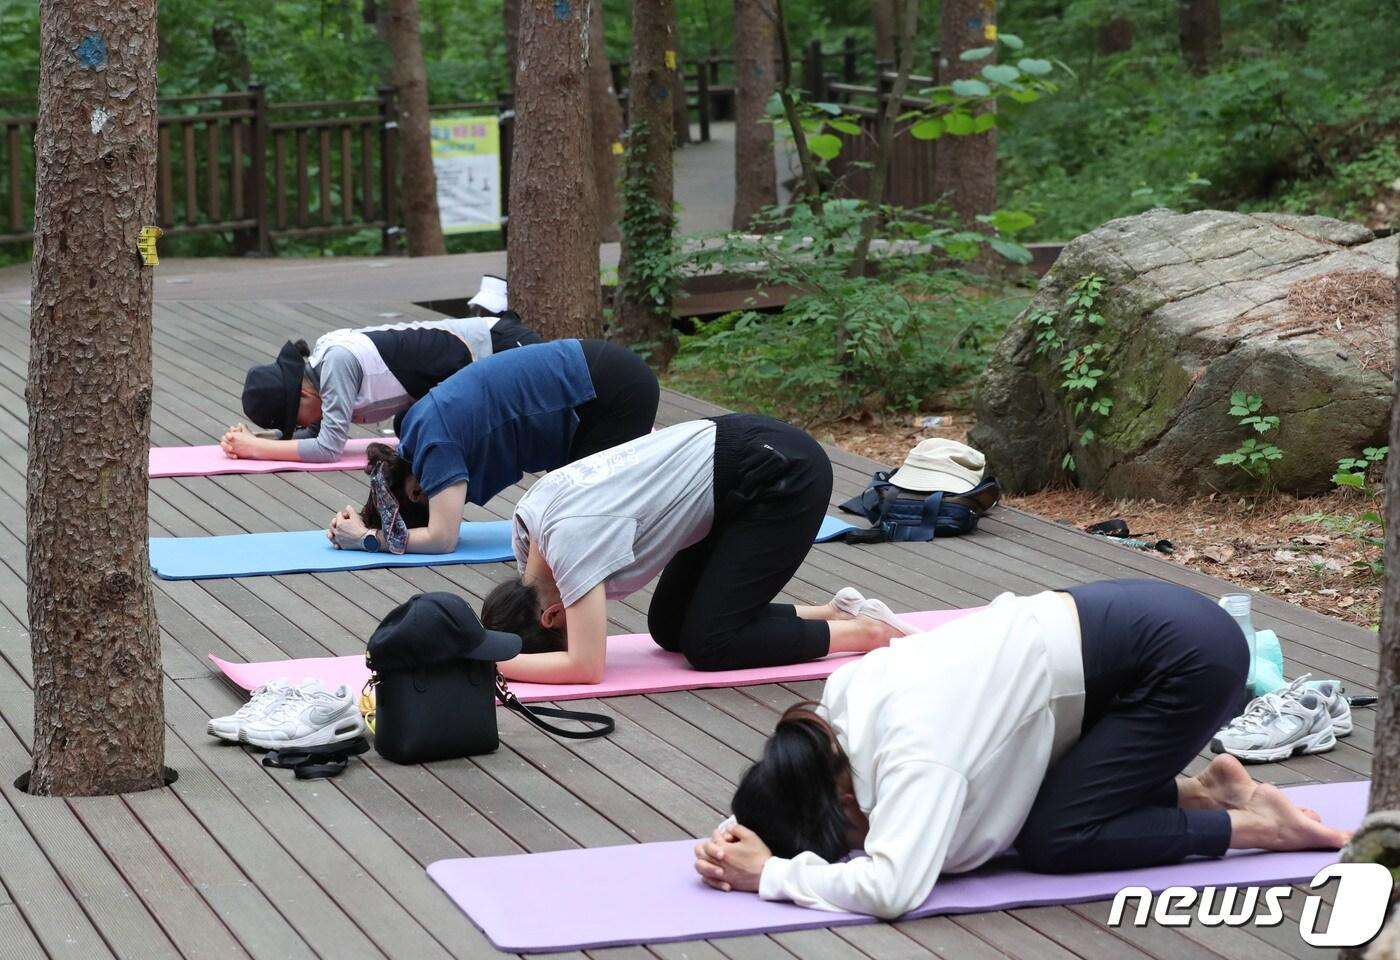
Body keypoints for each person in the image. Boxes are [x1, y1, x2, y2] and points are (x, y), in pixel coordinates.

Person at [692, 579, 1352, 919]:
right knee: (1029, 809)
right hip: (1142, 628)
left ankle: (1257, 828)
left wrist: (771, 874)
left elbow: (892, 887)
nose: (868, 834)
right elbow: (793, 783)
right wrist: (739, 833)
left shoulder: (914, 753)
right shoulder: (843, 706)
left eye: (852, 831)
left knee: (1055, 840)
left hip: (1183, 659)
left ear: (840, 797)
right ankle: (1204, 787)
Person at [479, 414, 914, 685]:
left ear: (551, 616)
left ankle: (868, 632)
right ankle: (835, 612)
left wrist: (490, 664)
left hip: (782, 474)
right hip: (737, 469)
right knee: (670, 629)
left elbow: (587, 667)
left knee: (711, 646)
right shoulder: (529, 535)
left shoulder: (570, 546)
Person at [326, 339, 659, 555]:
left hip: (611, 392)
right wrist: (364, 520)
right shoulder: (414, 433)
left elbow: (442, 539)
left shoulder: (435, 448)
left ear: (415, 493)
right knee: (558, 516)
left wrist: (368, 540)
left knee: (580, 529)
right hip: (599, 375)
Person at [225, 307, 542, 463]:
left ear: (305, 392)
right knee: (411, 428)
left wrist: (257, 449)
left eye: (294, 418)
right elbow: (314, 432)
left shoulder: (336, 363)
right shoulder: (321, 369)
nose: (299, 425)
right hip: (485, 361)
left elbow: (328, 447)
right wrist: (262, 438)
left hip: (500, 349)